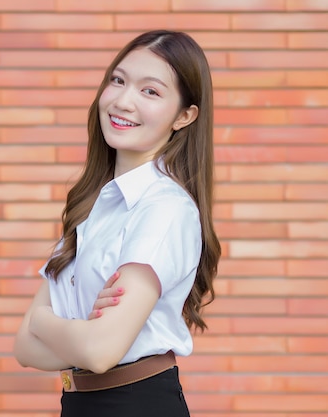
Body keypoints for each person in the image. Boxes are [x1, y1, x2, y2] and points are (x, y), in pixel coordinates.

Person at [13, 30, 221, 417]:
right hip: (79, 403)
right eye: (118, 80)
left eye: (151, 92)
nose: (123, 101)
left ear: (184, 116)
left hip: (135, 404)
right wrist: (81, 331)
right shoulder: (93, 206)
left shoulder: (164, 209)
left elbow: (99, 350)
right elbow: (24, 349)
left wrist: (43, 320)